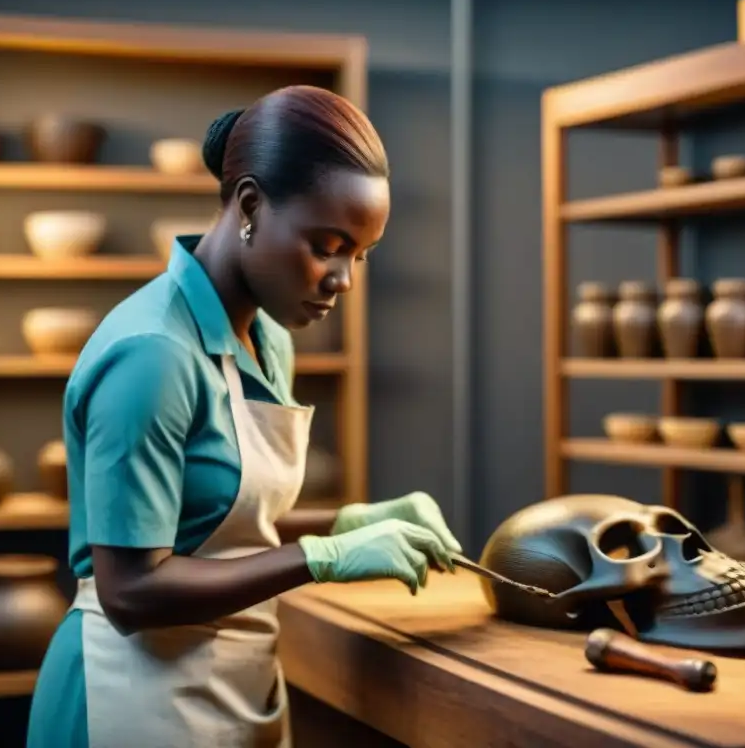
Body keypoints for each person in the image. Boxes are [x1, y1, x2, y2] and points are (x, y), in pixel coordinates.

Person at [26, 85, 462, 748]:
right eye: (327, 245)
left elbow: (219, 523)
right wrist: (318, 557)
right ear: (251, 206)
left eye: (360, 255)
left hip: (233, 685)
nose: (343, 279)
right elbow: (131, 591)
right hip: (129, 693)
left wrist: (346, 523)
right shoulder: (153, 355)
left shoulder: (269, 338)